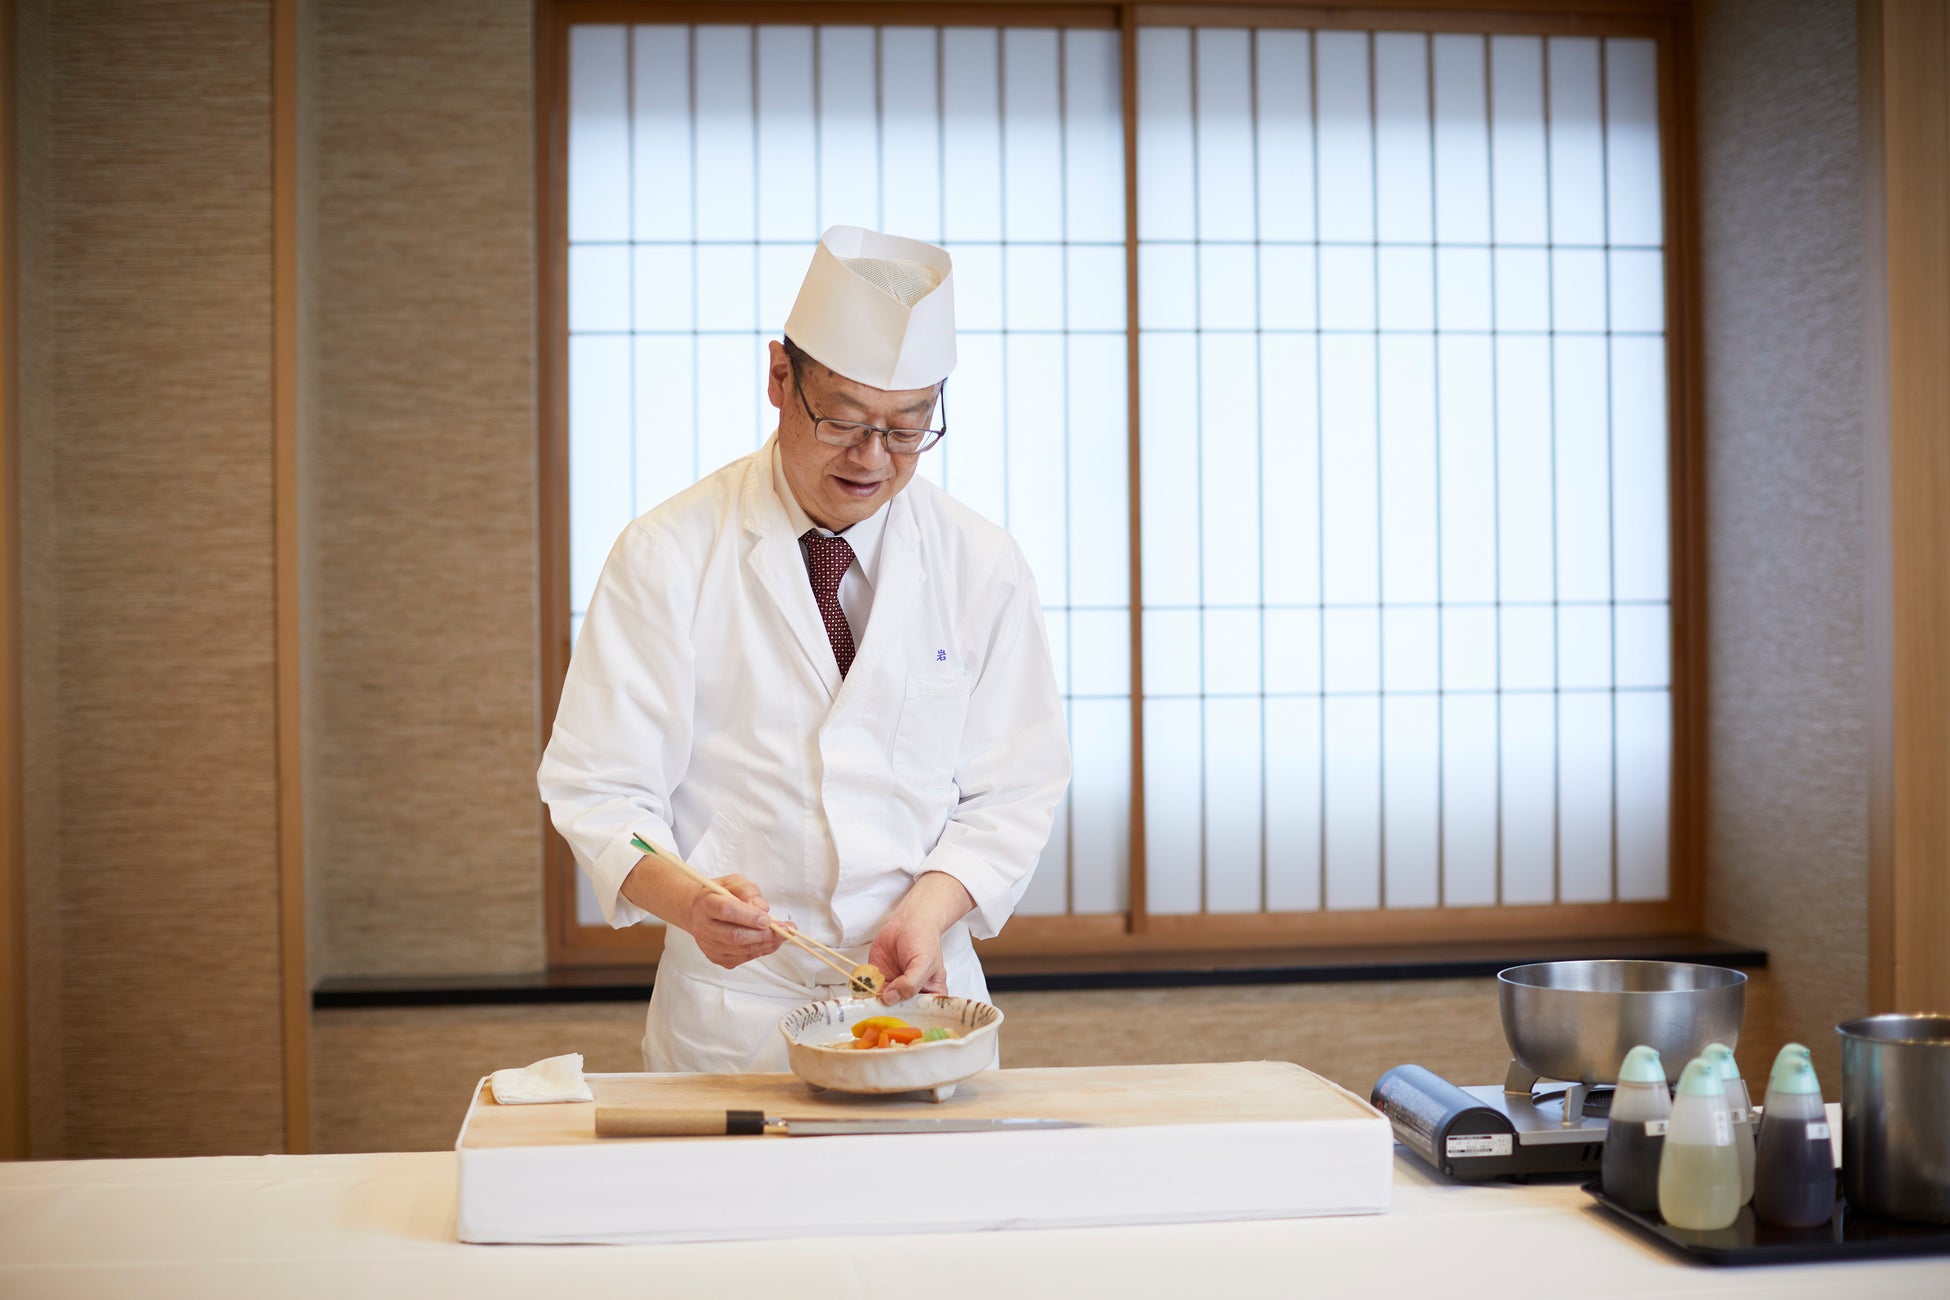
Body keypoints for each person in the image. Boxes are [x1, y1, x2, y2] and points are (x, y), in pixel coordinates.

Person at [538, 226, 1071, 1073]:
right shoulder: (668, 554)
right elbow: (599, 792)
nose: (873, 459)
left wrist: (931, 909)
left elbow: (1018, 786)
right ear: (781, 379)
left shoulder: (982, 563)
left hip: (921, 1004)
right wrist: (690, 899)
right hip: (734, 1023)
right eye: (846, 422)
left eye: (907, 429)